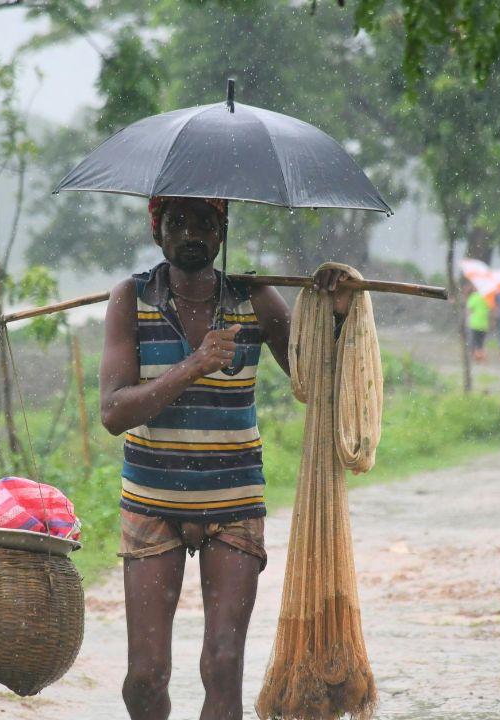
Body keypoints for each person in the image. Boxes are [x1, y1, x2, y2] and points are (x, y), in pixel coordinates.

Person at [100, 196, 352, 720]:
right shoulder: (131, 297)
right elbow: (113, 412)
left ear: (222, 232)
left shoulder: (254, 298)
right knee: (145, 677)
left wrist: (337, 312)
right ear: (157, 233)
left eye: (204, 222)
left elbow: (314, 377)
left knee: (223, 662)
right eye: (177, 222)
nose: (190, 232)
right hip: (152, 504)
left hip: (234, 504)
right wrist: (194, 365)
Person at [464, 282, 490, 363]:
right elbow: (490, 309)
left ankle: (476, 357)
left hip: (474, 323)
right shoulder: (486, 297)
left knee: (474, 342)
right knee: (481, 343)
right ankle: (480, 357)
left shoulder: (473, 297)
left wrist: (467, 320)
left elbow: (468, 310)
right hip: (484, 324)